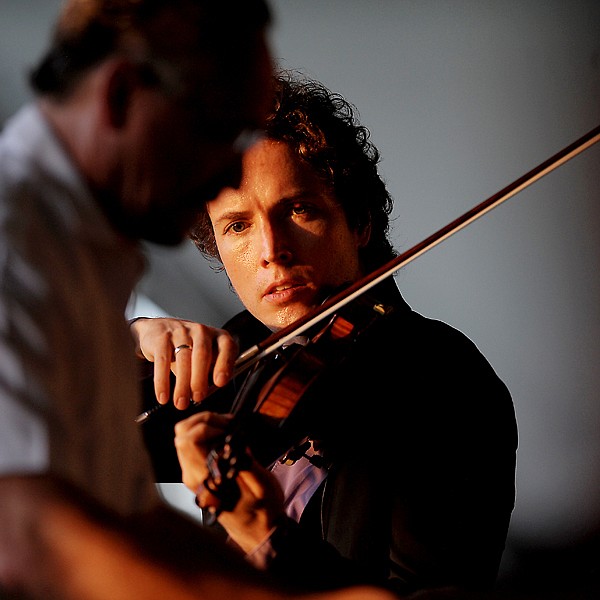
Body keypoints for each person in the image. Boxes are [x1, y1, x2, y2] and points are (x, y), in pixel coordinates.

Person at [0, 2, 368, 599]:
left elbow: (135, 522)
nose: (227, 177)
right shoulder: (16, 245)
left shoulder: (87, 255)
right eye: (222, 132)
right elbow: (27, 540)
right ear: (121, 95)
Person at [132, 71, 519, 598]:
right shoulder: (245, 354)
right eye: (238, 226)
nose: (271, 250)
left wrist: (265, 537)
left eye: (298, 209)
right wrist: (132, 341)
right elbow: (67, 435)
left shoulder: (445, 380)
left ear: (358, 221)